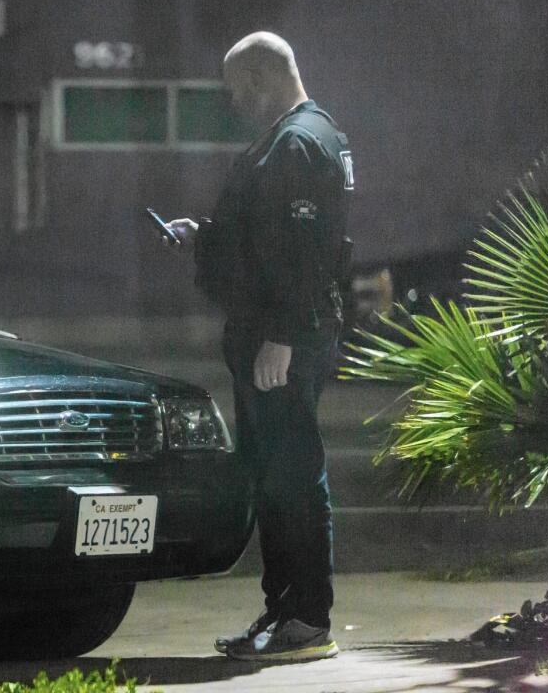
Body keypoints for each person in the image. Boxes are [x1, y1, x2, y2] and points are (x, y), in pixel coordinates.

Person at [160, 32, 353, 662]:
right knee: (275, 475)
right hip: (279, 329)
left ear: (262, 79)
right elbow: (268, 236)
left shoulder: (297, 142)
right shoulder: (311, 135)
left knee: (291, 474)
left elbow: (304, 255)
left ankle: (305, 620)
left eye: (236, 89)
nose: (234, 101)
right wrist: (208, 237)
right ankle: (284, 614)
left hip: (283, 336)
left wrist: (282, 336)